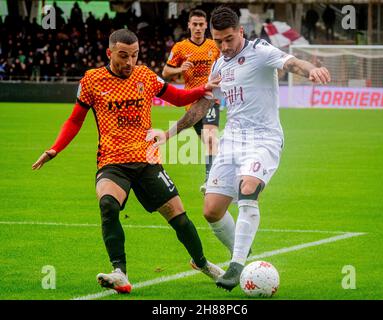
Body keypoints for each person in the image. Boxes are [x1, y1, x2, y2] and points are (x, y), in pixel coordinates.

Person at [147, 6, 331, 291]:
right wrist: (169, 134)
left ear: (241, 32)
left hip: (264, 138)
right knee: (211, 210)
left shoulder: (260, 51)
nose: (224, 46)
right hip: (233, 140)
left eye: (229, 39)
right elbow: (202, 106)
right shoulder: (219, 65)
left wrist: (312, 70)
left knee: (248, 189)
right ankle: (244, 253)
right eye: (218, 40)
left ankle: (236, 264)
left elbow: (292, 62)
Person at [32, 29, 223, 294]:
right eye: (123, 56)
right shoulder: (92, 80)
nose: (130, 62)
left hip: (147, 160)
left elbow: (177, 98)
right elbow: (75, 119)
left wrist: (203, 89)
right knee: (108, 205)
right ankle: (119, 272)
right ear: (110, 53)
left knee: (178, 217)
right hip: (112, 161)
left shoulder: (145, 75)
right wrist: (54, 149)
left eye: (134, 55)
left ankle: (202, 263)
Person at [162, 9, 221, 193]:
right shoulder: (180, 48)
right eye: (194, 24)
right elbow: (165, 72)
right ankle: (219, 174)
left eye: (201, 24)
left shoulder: (214, 46)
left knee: (211, 138)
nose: (197, 28)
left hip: (211, 99)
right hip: (192, 102)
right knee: (208, 142)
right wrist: (179, 69)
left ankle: (210, 180)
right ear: (189, 25)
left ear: (206, 26)